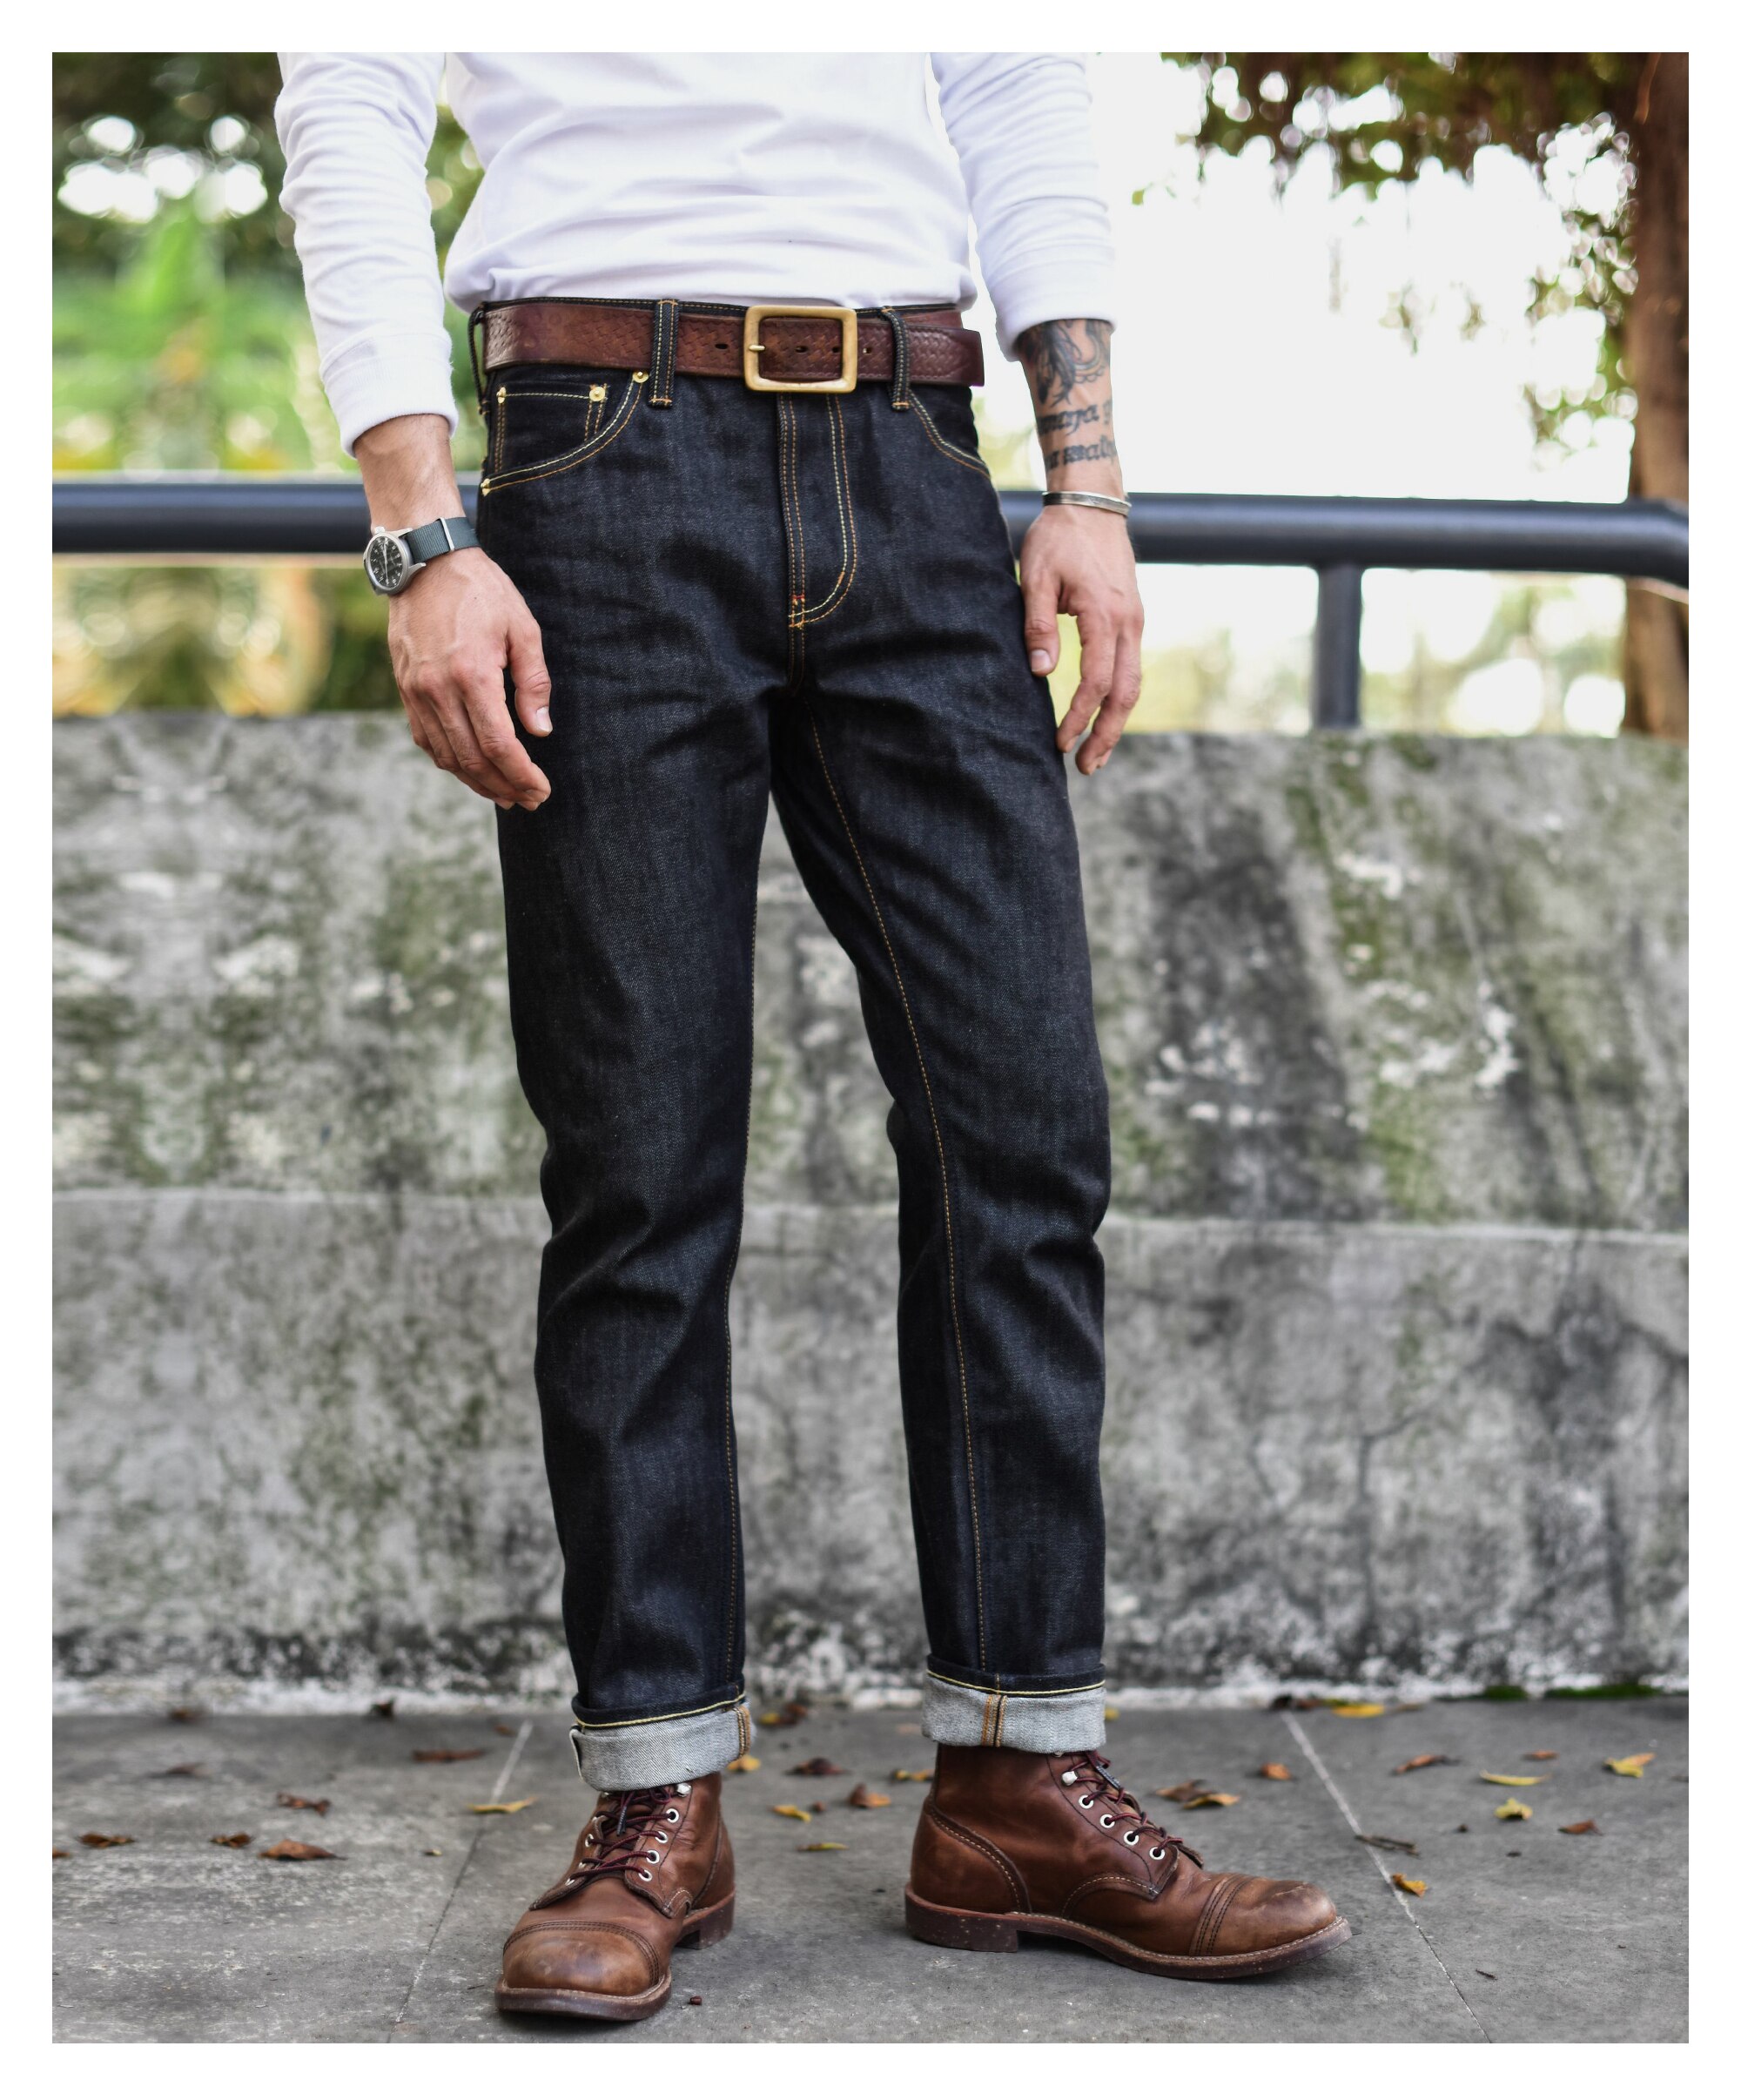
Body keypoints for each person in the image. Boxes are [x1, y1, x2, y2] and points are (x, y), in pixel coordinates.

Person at [275, 50, 1348, 2022]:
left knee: (1023, 1135)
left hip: (921, 458)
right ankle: (656, 1798)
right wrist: (421, 533)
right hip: (595, 455)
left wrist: (1087, 486)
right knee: (639, 1168)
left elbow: (1020, 94)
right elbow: (345, 102)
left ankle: (1019, 1784)